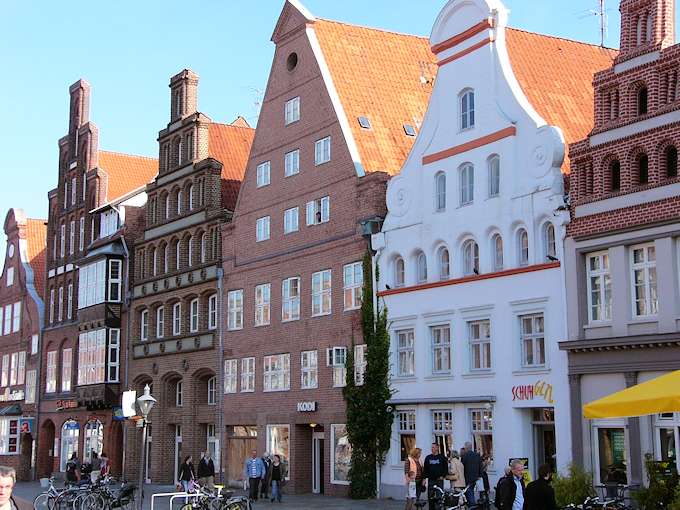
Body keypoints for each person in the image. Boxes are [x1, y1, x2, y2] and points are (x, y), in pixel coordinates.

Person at [422, 443, 448, 510]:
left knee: (439, 497)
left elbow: (446, 468)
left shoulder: (442, 457)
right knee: (430, 497)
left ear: (437, 448)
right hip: (431, 480)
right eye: (431, 447)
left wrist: (443, 476)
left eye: (433, 447)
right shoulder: (428, 457)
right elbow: (425, 469)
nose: (432, 449)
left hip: (439, 480)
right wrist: (424, 479)